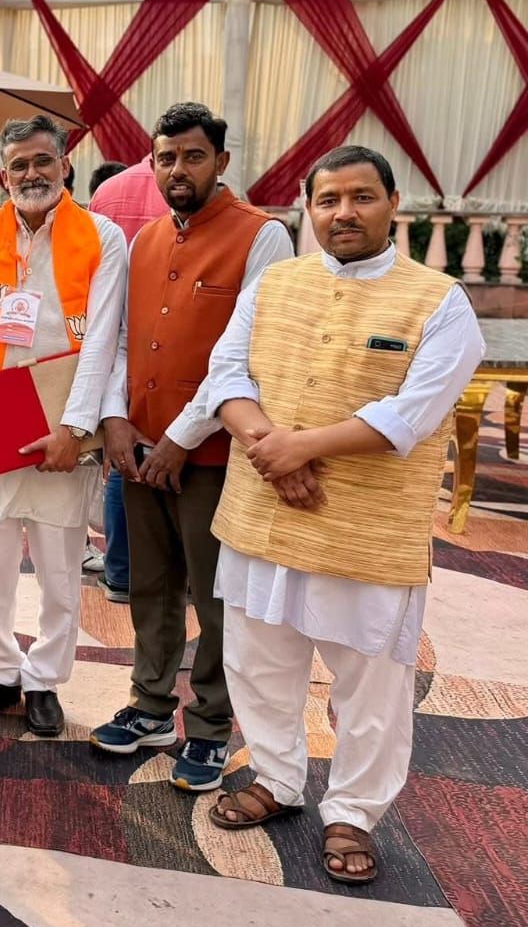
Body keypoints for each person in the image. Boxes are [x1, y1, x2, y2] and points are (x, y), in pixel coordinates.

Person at [201, 145, 484, 885]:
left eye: (361, 197)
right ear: (309, 210)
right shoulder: (274, 284)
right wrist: (271, 449)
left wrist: (300, 448)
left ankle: (354, 811)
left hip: (368, 525)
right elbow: (225, 374)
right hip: (263, 509)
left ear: (393, 204)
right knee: (258, 658)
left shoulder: (439, 300)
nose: (344, 213)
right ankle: (276, 777)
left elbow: (414, 411)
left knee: (371, 680)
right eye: (328, 200)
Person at [92, 103, 292, 790]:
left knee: (215, 597)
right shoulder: (145, 239)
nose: (178, 170)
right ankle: (150, 704)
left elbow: (247, 357)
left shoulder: (263, 237)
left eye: (194, 156)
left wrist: (180, 439)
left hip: (213, 456)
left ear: (222, 162)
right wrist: (115, 419)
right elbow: (121, 340)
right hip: (140, 447)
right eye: (166, 158)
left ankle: (208, 727)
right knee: (149, 587)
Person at [0, 115, 127, 736]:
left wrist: (75, 429)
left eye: (42, 161)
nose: (31, 174)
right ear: (3, 173)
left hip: (61, 420)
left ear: (65, 164)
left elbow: (103, 339)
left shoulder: (102, 235)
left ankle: (45, 677)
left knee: (59, 566)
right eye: (18, 164)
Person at [82, 158, 129, 596]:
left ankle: (118, 569)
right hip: (121, 357)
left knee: (112, 467)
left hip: (88, 365)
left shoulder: (101, 228)